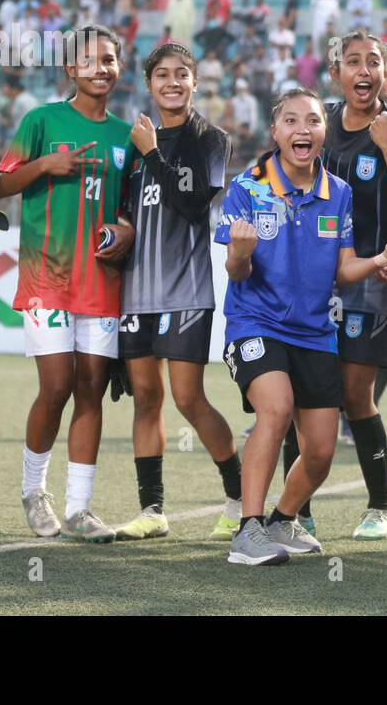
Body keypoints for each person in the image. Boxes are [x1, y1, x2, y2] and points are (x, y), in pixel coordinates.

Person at [216, 87, 387, 565]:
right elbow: (237, 271)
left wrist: (383, 258)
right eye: (290, 120)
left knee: (322, 450)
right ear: (275, 131)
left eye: (311, 120)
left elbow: (343, 271)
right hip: (255, 324)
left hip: (314, 332)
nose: (301, 129)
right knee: (276, 407)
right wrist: (239, 254)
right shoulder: (248, 186)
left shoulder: (339, 192)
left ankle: (283, 520)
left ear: (324, 133)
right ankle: (248, 532)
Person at [0, 24, 136, 543]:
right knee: (55, 386)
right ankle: (34, 492)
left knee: (91, 389)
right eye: (92, 60)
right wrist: (43, 165)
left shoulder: (128, 137)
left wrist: (127, 229)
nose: (103, 68)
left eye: (111, 59)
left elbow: (132, 209)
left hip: (101, 284)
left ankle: (79, 508)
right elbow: (1, 183)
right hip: (47, 280)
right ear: (71, 69)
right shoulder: (41, 120)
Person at [113, 43, 242, 543]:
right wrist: (118, 227)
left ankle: (236, 496)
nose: (171, 81)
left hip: (187, 290)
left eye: (181, 74)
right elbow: (124, 207)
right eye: (162, 74)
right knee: (146, 397)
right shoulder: (131, 143)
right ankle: (152, 510)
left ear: (194, 81)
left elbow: (191, 204)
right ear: (149, 84)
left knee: (188, 398)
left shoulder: (210, 139)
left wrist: (151, 151)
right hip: (135, 292)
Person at [318, 31, 387, 540]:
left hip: (370, 279)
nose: (363, 71)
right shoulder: (315, 121)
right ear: (335, 72)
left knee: (355, 395)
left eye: (374, 62)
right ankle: (295, 512)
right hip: (311, 282)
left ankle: (381, 506)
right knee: (307, 392)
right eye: (352, 62)